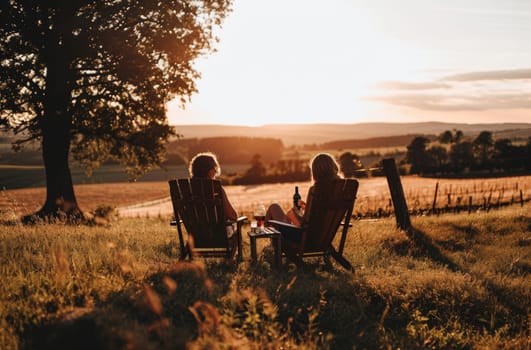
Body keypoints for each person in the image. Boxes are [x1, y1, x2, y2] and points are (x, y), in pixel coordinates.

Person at [265, 153, 342, 244]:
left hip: (304, 239)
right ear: (334, 168)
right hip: (322, 238)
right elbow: (319, 219)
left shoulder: (316, 191)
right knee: (278, 211)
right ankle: (272, 247)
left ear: (315, 172)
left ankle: (273, 246)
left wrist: (296, 214)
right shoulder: (342, 190)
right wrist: (306, 209)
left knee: (274, 207)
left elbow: (304, 224)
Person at [189, 152, 238, 236]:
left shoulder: (187, 190)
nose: (215, 171)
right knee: (236, 233)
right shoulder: (216, 189)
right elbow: (233, 216)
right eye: (214, 168)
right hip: (219, 237)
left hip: (196, 238)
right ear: (208, 170)